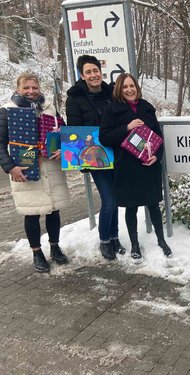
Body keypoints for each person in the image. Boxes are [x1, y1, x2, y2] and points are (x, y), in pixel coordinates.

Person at [0, 72, 70, 272]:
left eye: (34, 87)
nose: (31, 91)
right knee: (31, 213)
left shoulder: (50, 109)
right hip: (24, 169)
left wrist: (63, 148)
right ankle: (37, 252)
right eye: (26, 88)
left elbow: (64, 134)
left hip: (51, 168)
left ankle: (55, 248)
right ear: (18, 89)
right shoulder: (7, 110)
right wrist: (10, 167)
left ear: (39, 89)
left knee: (53, 210)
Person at [99, 73, 172, 261]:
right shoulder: (112, 110)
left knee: (153, 205)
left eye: (132, 86)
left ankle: (161, 241)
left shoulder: (147, 108)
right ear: (119, 90)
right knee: (131, 207)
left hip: (148, 166)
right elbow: (104, 138)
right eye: (125, 87)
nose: (129, 90)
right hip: (127, 167)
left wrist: (156, 156)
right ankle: (134, 245)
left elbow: (158, 138)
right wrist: (127, 127)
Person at [66, 55, 125, 260]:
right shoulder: (75, 98)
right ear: (82, 75)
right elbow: (73, 130)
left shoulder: (112, 93)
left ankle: (115, 236)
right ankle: (104, 240)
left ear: (101, 72)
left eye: (96, 71)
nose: (93, 75)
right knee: (109, 200)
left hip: (116, 153)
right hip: (94, 157)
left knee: (116, 198)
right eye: (88, 72)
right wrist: (79, 159)